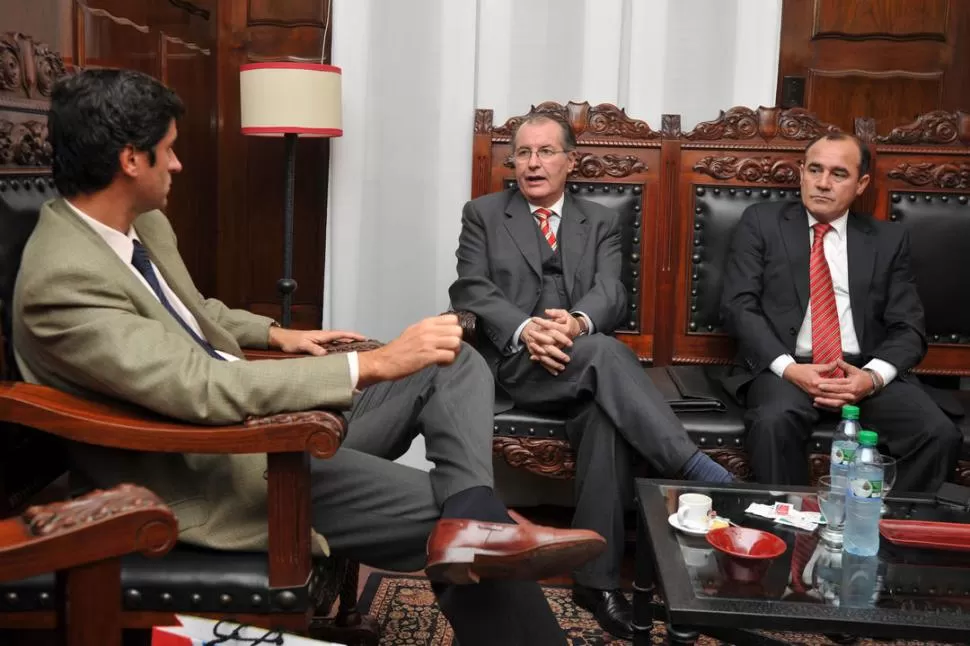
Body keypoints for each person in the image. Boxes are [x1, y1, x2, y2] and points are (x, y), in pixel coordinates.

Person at [13, 69, 608, 646]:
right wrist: (369, 365)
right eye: (168, 150)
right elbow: (197, 385)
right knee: (451, 526)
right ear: (128, 159)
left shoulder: (137, 224)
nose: (177, 163)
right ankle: (483, 530)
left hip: (256, 425)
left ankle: (477, 517)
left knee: (451, 357)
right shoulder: (64, 279)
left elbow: (195, 313)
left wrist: (277, 335)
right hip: (215, 468)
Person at [448, 114, 734, 640]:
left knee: (605, 414)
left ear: (570, 161)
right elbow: (469, 289)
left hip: (580, 363)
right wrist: (527, 327)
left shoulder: (598, 219)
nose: (533, 163)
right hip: (516, 364)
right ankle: (694, 468)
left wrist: (576, 323)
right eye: (524, 153)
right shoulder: (484, 214)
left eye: (546, 152)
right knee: (603, 353)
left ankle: (596, 584)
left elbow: (611, 291)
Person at [720, 132, 962, 492]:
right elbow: (738, 306)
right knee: (775, 420)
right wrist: (790, 369)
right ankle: (791, 530)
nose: (822, 183)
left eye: (838, 174)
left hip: (861, 370)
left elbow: (909, 328)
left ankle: (881, 530)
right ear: (800, 172)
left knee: (937, 433)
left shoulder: (888, 240)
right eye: (814, 169)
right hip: (788, 368)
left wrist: (871, 378)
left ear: (861, 183)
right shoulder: (762, 223)